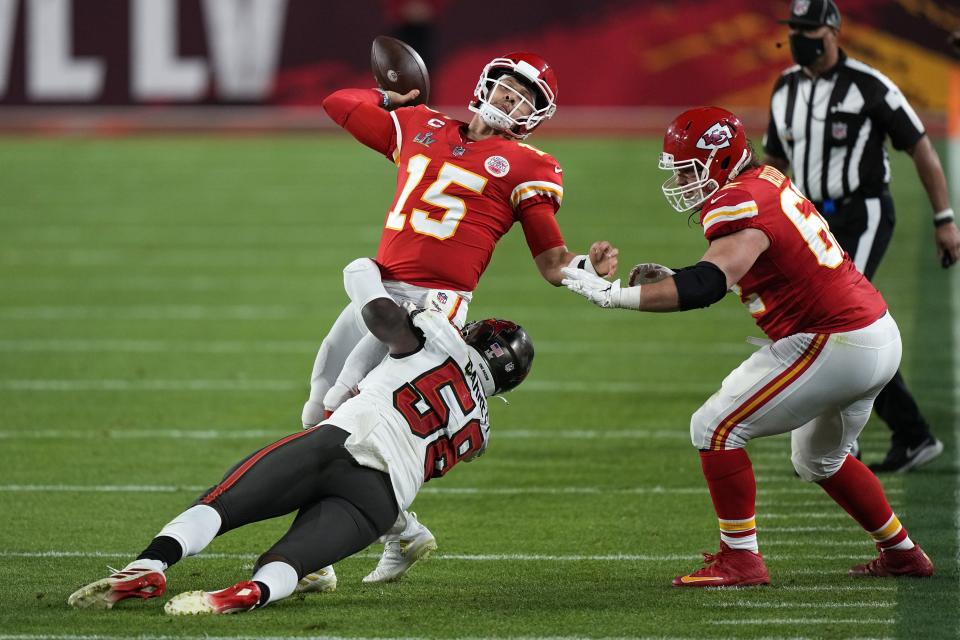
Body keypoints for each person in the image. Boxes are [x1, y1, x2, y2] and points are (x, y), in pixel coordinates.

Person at [561, 106, 934, 586]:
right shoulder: (764, 181)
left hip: (833, 340)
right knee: (820, 459)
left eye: (687, 168)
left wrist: (615, 296)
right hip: (874, 334)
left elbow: (709, 285)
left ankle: (740, 558)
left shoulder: (736, 201)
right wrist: (677, 277)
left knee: (713, 427)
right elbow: (750, 267)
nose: (681, 180)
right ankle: (903, 552)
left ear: (719, 160)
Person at [301, 51, 618, 588]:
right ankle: (399, 531)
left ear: (536, 114)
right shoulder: (422, 124)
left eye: (526, 98)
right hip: (380, 291)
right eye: (507, 88)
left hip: (430, 308)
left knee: (343, 419)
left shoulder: (527, 165)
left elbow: (552, 262)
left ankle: (319, 556)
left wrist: (592, 270)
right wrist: (394, 99)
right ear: (486, 85)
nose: (510, 100)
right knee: (315, 410)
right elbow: (338, 102)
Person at [67, 258, 535, 614]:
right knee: (290, 562)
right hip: (379, 501)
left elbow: (382, 318)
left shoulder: (440, 337)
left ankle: (150, 565)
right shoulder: (481, 431)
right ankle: (250, 594)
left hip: (338, 445)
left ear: (476, 338)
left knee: (221, 505)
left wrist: (363, 273)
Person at [762, 0, 960, 472]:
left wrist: (944, 218)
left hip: (864, 212)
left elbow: (921, 147)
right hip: (811, 221)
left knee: (841, 320)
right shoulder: (785, 87)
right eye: (793, 29)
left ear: (832, 31)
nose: (798, 38)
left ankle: (848, 440)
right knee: (830, 323)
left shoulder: (870, 85)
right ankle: (910, 435)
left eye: (807, 29)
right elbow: (775, 161)